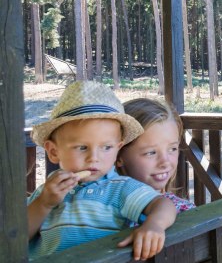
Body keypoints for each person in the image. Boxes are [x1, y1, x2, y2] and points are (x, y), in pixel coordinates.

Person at [27, 81, 177, 260]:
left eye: (106, 147)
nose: (94, 158)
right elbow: (15, 237)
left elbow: (163, 204)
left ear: (117, 148)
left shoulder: (120, 188)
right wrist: (44, 203)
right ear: (53, 151)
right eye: (82, 147)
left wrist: (154, 225)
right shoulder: (47, 191)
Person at [117, 98, 195, 214]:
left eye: (172, 149)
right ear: (118, 156)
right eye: (151, 152)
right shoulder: (99, 213)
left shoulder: (184, 212)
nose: (165, 162)